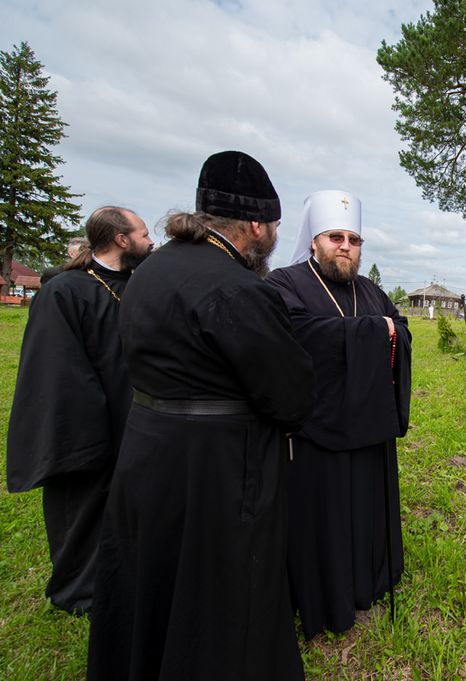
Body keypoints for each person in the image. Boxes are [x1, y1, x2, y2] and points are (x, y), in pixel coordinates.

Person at [87, 151, 315, 681]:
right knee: (219, 589)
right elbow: (290, 395)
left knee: (155, 573)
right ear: (256, 225)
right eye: (274, 226)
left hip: (147, 446)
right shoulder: (240, 289)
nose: (274, 235)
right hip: (218, 466)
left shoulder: (150, 270)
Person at [265, 189, 411, 639]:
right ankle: (325, 593)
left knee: (366, 511)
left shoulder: (370, 291)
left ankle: (371, 578)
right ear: (314, 240)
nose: (346, 246)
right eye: (335, 237)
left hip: (368, 429)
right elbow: (293, 333)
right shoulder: (285, 283)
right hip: (317, 431)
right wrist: (375, 332)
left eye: (354, 239)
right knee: (323, 519)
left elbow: (400, 329)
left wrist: (385, 331)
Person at [6, 207, 152, 615]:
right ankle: (79, 591)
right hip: (84, 422)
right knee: (83, 509)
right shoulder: (66, 290)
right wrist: (89, 428)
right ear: (121, 239)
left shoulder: (137, 285)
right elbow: (57, 365)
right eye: (143, 234)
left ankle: (123, 577)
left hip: (132, 415)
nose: (150, 241)